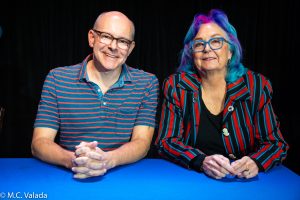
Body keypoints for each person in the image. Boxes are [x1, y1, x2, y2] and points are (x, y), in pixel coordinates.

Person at [155, 9, 288, 179]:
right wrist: (200, 160)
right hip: (191, 178)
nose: (207, 49)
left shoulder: (256, 86)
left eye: (216, 41)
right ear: (192, 54)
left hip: (241, 181)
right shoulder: (176, 86)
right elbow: (166, 141)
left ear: (230, 51)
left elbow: (276, 143)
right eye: (199, 44)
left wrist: (256, 161)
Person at [31, 11, 159, 179]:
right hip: (68, 176)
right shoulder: (57, 79)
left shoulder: (147, 83)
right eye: (106, 36)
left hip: (124, 177)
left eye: (122, 41)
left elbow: (142, 143)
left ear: (131, 48)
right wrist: (75, 161)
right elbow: (39, 143)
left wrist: (107, 160)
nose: (113, 46)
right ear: (92, 38)